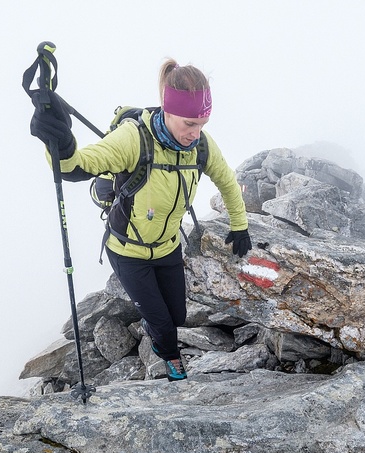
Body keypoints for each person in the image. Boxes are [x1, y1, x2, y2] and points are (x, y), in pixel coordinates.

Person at [30, 59, 250, 382]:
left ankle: (154, 322)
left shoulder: (201, 145)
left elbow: (227, 181)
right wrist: (60, 146)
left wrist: (240, 224)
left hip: (167, 246)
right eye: (190, 123)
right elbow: (79, 165)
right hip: (128, 250)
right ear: (168, 109)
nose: (195, 133)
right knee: (164, 326)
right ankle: (172, 364)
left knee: (177, 315)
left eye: (202, 124)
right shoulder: (135, 139)